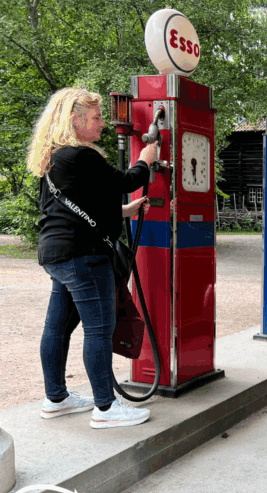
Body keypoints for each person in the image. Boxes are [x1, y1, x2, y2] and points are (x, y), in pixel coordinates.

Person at [26, 87, 156, 429]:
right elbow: (128, 180)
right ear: (75, 119)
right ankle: (106, 407)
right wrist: (148, 157)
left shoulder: (54, 158)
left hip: (57, 254)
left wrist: (124, 212)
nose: (103, 124)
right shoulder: (82, 156)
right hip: (84, 257)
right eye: (96, 118)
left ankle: (57, 398)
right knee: (99, 329)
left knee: (57, 328)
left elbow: (73, 206)